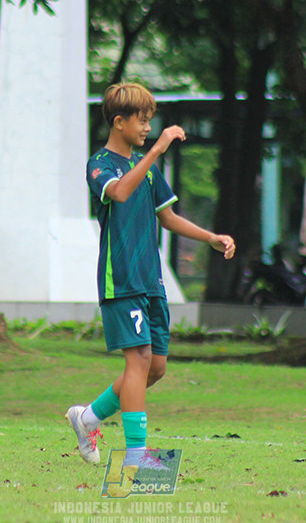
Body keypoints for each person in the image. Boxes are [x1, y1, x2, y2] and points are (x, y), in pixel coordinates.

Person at [66, 82, 236, 468]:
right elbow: (120, 193)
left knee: (154, 368)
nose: (147, 128)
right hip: (121, 278)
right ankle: (137, 457)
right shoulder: (100, 164)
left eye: (150, 121)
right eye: (141, 121)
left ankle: (87, 417)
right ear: (119, 121)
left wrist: (211, 237)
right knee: (139, 359)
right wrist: (157, 149)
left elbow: (168, 216)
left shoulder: (147, 169)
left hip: (150, 280)